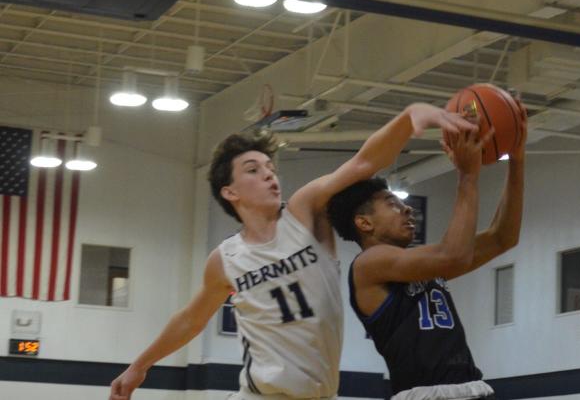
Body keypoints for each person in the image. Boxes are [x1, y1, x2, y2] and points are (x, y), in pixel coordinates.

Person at [108, 103, 476, 400]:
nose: (269, 175)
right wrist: (140, 365)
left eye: (270, 167)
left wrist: (409, 115)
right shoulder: (227, 258)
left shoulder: (306, 212)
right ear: (230, 192)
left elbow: (364, 162)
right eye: (253, 170)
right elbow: (191, 318)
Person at [327, 99, 527, 400]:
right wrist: (467, 175)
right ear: (364, 223)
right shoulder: (369, 264)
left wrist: (517, 158)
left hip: (470, 388)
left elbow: (503, 237)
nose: (407, 209)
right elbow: (454, 255)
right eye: (392, 204)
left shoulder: (419, 263)